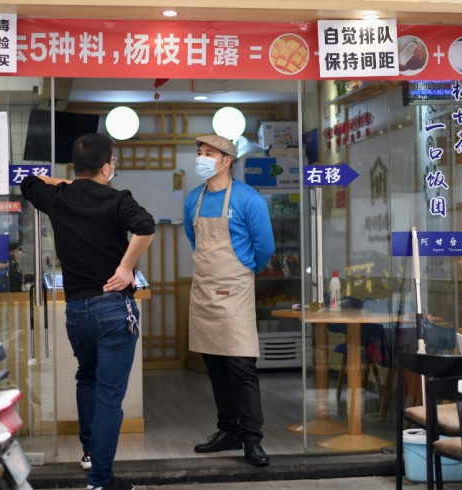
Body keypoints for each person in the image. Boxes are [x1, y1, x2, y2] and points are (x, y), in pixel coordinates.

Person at [21, 133, 155, 490]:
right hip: (112, 308)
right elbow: (145, 226)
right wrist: (127, 267)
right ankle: (100, 480)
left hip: (76, 311)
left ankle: (89, 454)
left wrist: (67, 182)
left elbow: (28, 182)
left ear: (74, 168)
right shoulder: (117, 199)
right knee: (110, 396)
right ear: (107, 167)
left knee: (87, 378)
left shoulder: (59, 197)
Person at [184, 134, 275, 467]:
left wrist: (242, 272)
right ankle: (228, 431)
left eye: (209, 153)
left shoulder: (249, 199)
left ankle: (252, 438)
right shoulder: (193, 199)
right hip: (204, 291)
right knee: (216, 369)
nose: (201, 158)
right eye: (199, 153)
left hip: (235, 290)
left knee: (241, 368)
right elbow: (193, 239)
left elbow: (265, 248)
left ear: (226, 160)